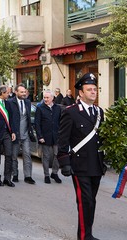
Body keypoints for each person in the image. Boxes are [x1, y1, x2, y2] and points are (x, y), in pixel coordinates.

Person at [57, 73, 106, 240]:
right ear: (81, 93)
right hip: (80, 165)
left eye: (95, 89)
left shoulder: (99, 112)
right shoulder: (71, 112)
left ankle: (88, 233)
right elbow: (62, 139)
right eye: (89, 89)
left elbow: (101, 139)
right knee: (85, 202)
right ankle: (84, 237)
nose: (93, 92)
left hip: (97, 165)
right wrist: (64, 162)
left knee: (91, 201)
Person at [8, 83, 35, 184]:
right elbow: (8, 119)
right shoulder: (10, 102)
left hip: (26, 134)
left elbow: (29, 118)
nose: (24, 94)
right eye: (22, 92)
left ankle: (28, 176)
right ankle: (15, 174)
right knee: (14, 156)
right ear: (16, 92)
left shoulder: (28, 102)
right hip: (15, 134)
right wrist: (11, 132)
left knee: (27, 155)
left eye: (25, 92)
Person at [35, 90, 62, 184]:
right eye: (44, 97)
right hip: (45, 137)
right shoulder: (40, 108)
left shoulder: (57, 108)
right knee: (46, 157)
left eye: (47, 98)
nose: (45, 99)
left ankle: (54, 173)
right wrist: (40, 136)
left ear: (52, 98)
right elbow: (37, 124)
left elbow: (60, 122)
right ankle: (46, 175)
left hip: (56, 136)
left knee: (57, 155)